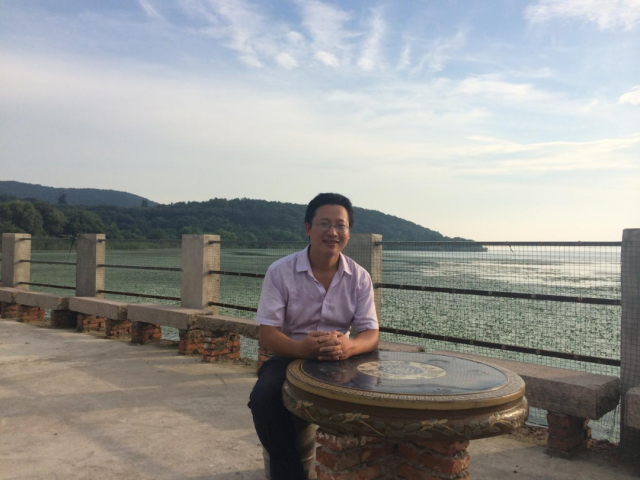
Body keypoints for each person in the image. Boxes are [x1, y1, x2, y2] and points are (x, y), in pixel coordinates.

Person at [248, 193, 380, 480]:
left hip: (340, 358)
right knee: (264, 399)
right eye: (324, 224)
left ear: (348, 232)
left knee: (377, 399)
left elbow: (371, 333)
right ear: (308, 228)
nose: (333, 232)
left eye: (340, 225)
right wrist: (302, 349)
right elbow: (268, 335)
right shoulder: (280, 272)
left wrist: (349, 347)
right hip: (291, 354)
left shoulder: (359, 277)